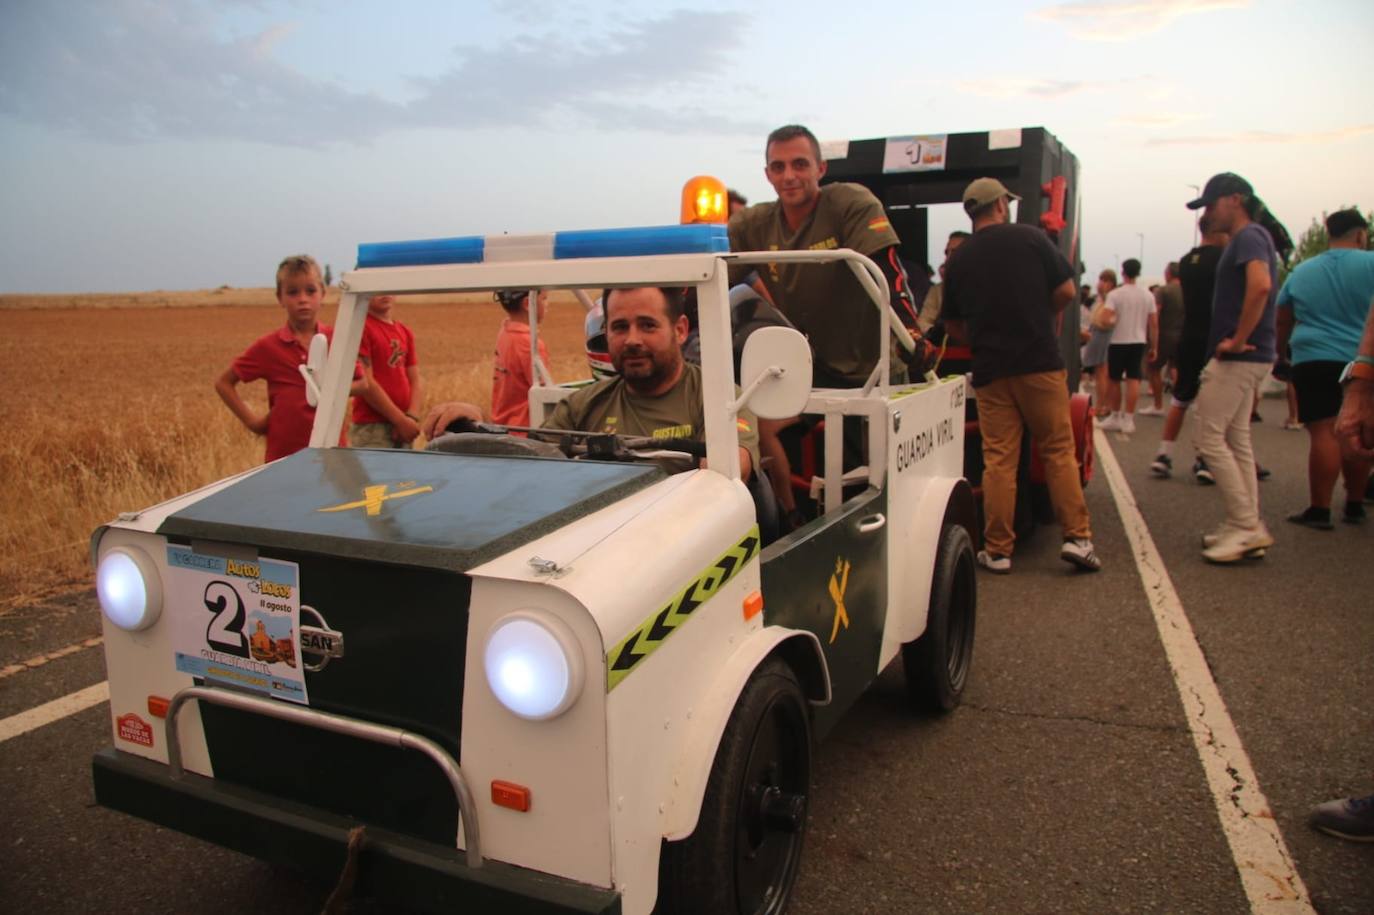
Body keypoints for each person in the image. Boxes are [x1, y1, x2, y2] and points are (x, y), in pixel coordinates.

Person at [728, 124, 934, 526]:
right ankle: (789, 519)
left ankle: (875, 536)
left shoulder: (849, 203)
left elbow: (887, 271)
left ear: (821, 168)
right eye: (778, 167)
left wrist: (910, 331)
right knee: (758, 425)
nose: (789, 175)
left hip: (869, 368)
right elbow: (705, 273)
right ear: (767, 174)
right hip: (812, 364)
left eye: (800, 164)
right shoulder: (754, 224)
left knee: (871, 480)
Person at [423, 286, 759, 480]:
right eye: (620, 327)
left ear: (680, 330)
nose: (632, 340)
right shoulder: (582, 406)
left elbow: (728, 476)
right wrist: (479, 426)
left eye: (647, 325)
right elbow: (526, 464)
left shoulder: (719, 399)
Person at [942, 177, 1100, 574]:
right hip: (1039, 362)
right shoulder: (1031, 238)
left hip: (991, 370)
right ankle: (1078, 539)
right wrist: (1037, 315)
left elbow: (953, 323)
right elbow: (1067, 291)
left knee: (999, 461)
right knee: (1057, 451)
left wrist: (981, 337)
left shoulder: (959, 258)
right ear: (1000, 205)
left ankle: (997, 550)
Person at [1186, 172, 1281, 563]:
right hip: (1253, 356)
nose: (1207, 214)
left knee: (1208, 438)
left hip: (1239, 357)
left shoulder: (1248, 237)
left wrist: (1239, 339)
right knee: (1237, 439)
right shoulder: (1254, 237)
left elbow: (1260, 285)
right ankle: (1244, 523)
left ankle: (1245, 526)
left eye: (1211, 204)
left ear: (1235, 200)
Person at [1307, 298, 1374, 843]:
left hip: (1321, 362)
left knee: (1328, 434)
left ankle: (1325, 506)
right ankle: (1352, 502)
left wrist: (1362, 380)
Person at [1276, 208, 1374, 528]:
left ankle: (1319, 510)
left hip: (1313, 357)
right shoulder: (1371, 263)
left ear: (1329, 234)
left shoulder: (1303, 270)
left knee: (1324, 432)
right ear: (1361, 235)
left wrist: (1281, 353)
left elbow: (1283, 316)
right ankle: (1355, 504)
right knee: (1359, 433)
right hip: (1361, 361)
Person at [215, 254, 365, 462]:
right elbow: (224, 383)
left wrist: (327, 389)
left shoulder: (337, 340)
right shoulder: (268, 347)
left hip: (331, 451)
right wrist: (253, 423)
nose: (303, 299)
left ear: (323, 293)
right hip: (283, 456)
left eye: (310, 291)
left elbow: (362, 383)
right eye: (293, 292)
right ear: (280, 298)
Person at [1150, 217, 1229, 481]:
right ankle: (1205, 460)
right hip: (1214, 338)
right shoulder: (1224, 259)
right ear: (1218, 231)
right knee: (1211, 404)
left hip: (1189, 336)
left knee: (1180, 398)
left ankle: (1163, 454)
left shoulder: (1186, 262)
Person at [351, 294, 424, 448]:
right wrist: (400, 420)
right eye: (376, 289)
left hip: (404, 427)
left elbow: (415, 379)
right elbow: (367, 383)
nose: (384, 293)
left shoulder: (404, 332)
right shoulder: (361, 328)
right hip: (372, 427)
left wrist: (411, 417)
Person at [1096, 258, 1158, 435]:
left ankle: (1115, 416)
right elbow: (1154, 323)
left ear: (1123, 272)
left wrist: (1114, 321)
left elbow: (1104, 318)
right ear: (1138, 273)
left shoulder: (1116, 295)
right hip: (1138, 341)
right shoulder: (1147, 295)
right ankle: (1129, 419)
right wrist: (1154, 347)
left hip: (1118, 340)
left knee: (1114, 379)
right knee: (1133, 379)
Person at [491, 289, 551, 428]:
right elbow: (545, 396)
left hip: (503, 426)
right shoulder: (531, 345)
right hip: (524, 430)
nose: (547, 304)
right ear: (527, 303)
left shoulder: (505, 332)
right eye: (544, 299)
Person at [1143, 262, 1183, 415]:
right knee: (1176, 368)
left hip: (1164, 335)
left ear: (1168, 274)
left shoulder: (1162, 291)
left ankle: (1158, 405)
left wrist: (1152, 340)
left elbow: (1155, 315)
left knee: (1154, 369)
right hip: (1181, 335)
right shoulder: (1187, 290)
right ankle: (1179, 403)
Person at [917, 230, 970, 334]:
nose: (948, 258)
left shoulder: (984, 286)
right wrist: (939, 333)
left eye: (954, 252)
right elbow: (922, 322)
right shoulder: (937, 290)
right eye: (947, 253)